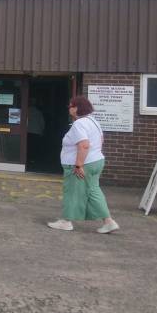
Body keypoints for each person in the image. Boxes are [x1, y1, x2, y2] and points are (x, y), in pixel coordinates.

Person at [47, 95, 119, 234]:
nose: (69, 108)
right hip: (96, 161)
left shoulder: (79, 124)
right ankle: (109, 222)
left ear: (76, 108)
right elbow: (101, 140)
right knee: (93, 191)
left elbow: (84, 145)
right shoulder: (93, 121)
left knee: (72, 192)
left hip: (83, 164)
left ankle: (66, 221)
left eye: (71, 106)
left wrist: (79, 165)